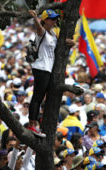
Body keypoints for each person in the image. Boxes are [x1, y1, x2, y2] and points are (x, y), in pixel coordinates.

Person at [27, 9, 76, 137]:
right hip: (41, 67)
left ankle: (38, 121)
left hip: (48, 69)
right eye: (51, 19)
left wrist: (72, 43)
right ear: (45, 20)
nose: (54, 21)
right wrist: (35, 19)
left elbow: (61, 44)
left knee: (44, 96)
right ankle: (32, 124)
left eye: (55, 19)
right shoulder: (42, 32)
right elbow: (39, 29)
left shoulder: (53, 34)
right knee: (37, 96)